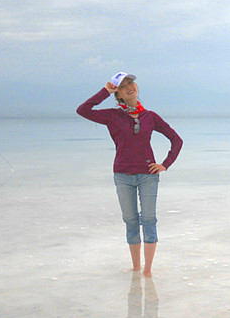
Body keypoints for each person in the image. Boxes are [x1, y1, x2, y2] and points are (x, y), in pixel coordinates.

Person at [77, 72, 183, 277]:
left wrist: (165, 164)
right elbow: (82, 110)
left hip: (147, 175)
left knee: (149, 219)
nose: (129, 87)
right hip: (123, 175)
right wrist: (105, 91)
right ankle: (136, 267)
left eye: (131, 83)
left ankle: (148, 271)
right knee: (131, 220)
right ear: (119, 94)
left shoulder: (150, 116)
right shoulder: (112, 116)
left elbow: (176, 140)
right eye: (123, 86)